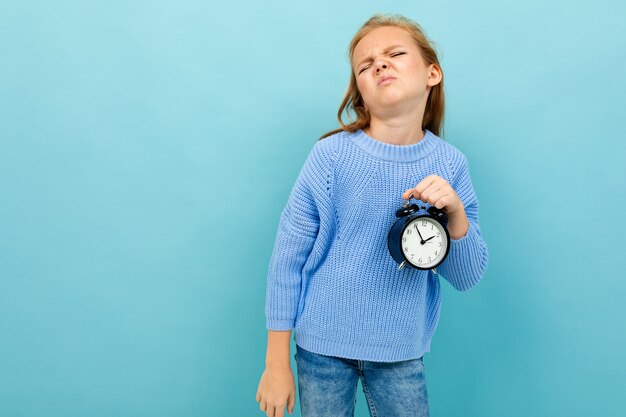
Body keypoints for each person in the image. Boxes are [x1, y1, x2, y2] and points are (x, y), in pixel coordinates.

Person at [256, 13, 489, 417]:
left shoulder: (450, 165)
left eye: (395, 54)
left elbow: (467, 277)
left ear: (432, 73)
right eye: (365, 64)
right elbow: (287, 259)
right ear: (359, 93)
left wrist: (455, 215)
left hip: (400, 353)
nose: (379, 63)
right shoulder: (330, 157)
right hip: (320, 350)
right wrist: (276, 363)